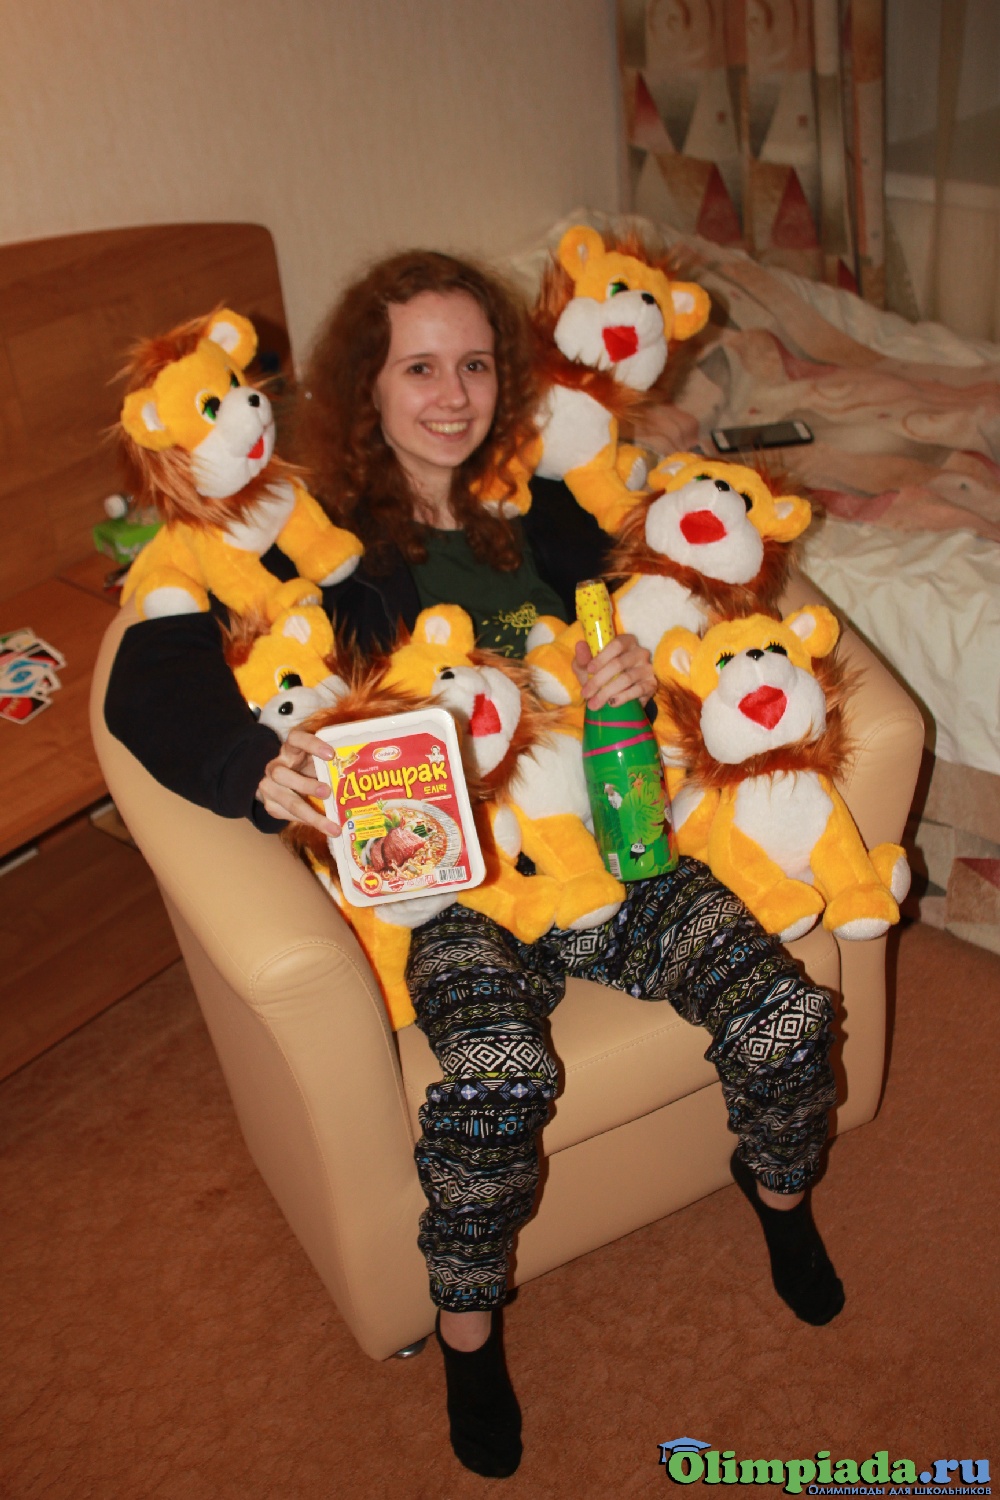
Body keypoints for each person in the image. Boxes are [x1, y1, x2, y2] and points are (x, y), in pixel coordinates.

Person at [105, 250, 844, 1481]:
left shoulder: (539, 505)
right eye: (418, 369)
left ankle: (777, 1194)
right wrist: (251, 764)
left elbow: (660, 611)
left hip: (606, 855)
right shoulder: (307, 540)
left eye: (475, 366)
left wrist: (632, 674)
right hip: (453, 894)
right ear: (365, 384)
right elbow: (147, 672)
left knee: (784, 1017)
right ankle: (465, 1326)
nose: (451, 396)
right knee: (500, 1078)